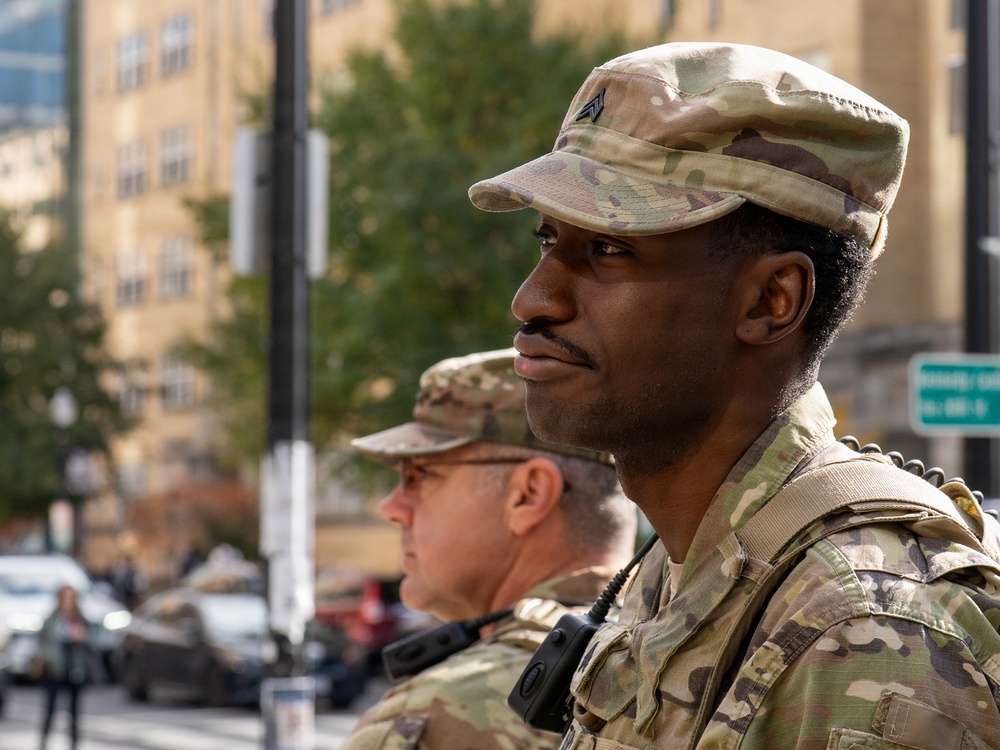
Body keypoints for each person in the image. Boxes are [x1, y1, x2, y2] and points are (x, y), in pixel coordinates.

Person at [468, 42, 1000, 748]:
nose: (532, 299)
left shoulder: (863, 628)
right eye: (547, 240)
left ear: (771, 300)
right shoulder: (682, 570)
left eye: (611, 249)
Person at [341, 348, 637, 749]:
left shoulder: (440, 712)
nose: (391, 507)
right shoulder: (684, 660)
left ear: (528, 495)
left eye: (419, 474)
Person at [37, 585, 93, 750]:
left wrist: (83, 637)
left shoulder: (80, 619)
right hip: (55, 670)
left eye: (71, 597)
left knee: (74, 713)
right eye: (65, 597)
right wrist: (47, 657)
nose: (68, 601)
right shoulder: (52, 619)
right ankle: (43, 742)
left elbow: (96, 641)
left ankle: (74, 744)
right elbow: (41, 643)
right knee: (50, 710)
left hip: (75, 670)